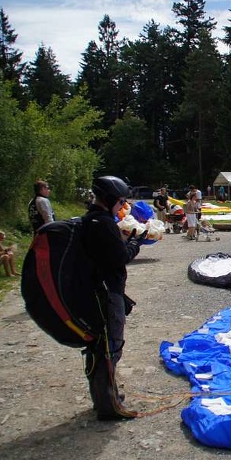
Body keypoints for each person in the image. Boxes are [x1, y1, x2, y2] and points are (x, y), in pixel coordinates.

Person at [82, 175, 145, 420]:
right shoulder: (104, 223)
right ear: (109, 200)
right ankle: (109, 407)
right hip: (107, 293)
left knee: (98, 347)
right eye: (120, 202)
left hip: (96, 292)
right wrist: (135, 244)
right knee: (109, 347)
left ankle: (105, 398)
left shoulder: (89, 220)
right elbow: (120, 257)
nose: (122, 206)